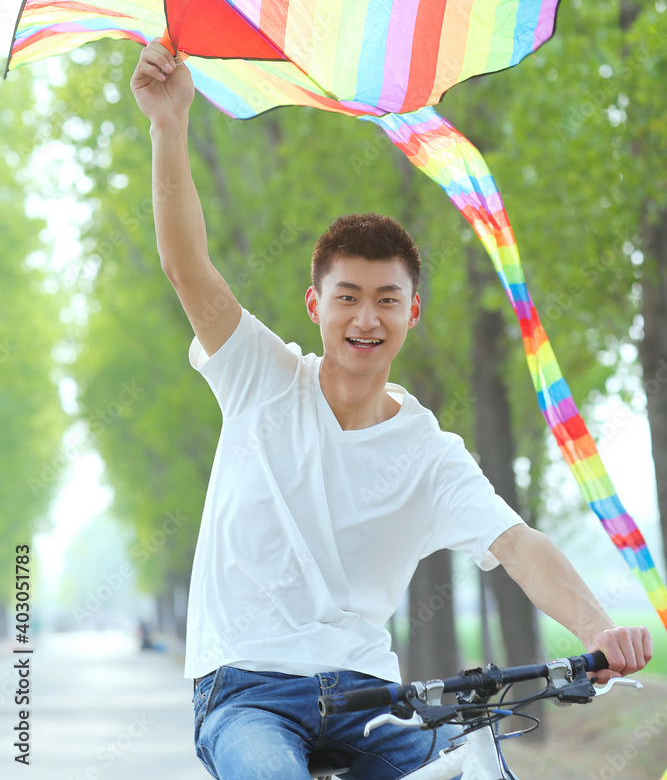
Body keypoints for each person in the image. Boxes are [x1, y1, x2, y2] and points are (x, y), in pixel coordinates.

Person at [130, 40, 652, 780]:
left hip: (373, 697)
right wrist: (168, 125)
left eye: (386, 300)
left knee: (471, 770)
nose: (364, 318)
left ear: (414, 315)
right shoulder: (259, 376)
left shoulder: (430, 453)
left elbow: (518, 545)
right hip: (245, 691)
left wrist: (601, 631)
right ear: (316, 306)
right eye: (347, 297)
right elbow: (188, 269)